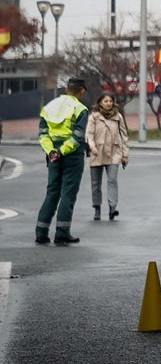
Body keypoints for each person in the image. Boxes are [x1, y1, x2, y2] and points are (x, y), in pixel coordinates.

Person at [35, 76, 90, 245]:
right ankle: (62, 233)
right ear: (82, 91)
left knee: (52, 192)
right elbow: (78, 137)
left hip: (53, 156)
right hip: (72, 156)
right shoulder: (80, 109)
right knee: (68, 193)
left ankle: (41, 233)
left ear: (66, 89)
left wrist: (52, 151)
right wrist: (62, 151)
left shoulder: (48, 107)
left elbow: (43, 135)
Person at [86, 92, 130, 222]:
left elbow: (124, 136)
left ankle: (112, 208)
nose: (108, 103)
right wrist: (92, 147)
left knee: (112, 180)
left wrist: (125, 155)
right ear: (100, 103)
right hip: (97, 153)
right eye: (105, 101)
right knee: (96, 184)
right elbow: (89, 135)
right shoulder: (94, 117)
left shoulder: (118, 116)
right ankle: (97, 208)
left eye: (110, 101)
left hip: (114, 153)